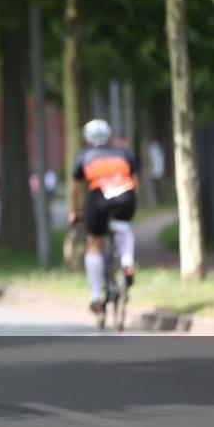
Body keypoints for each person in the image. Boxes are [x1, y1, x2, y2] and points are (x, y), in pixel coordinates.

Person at [68, 119, 138, 314]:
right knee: (123, 227)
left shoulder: (84, 155)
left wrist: (75, 212)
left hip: (99, 197)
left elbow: (75, 191)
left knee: (94, 242)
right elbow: (136, 182)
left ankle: (97, 297)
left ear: (87, 138)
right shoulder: (123, 152)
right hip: (126, 194)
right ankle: (127, 263)